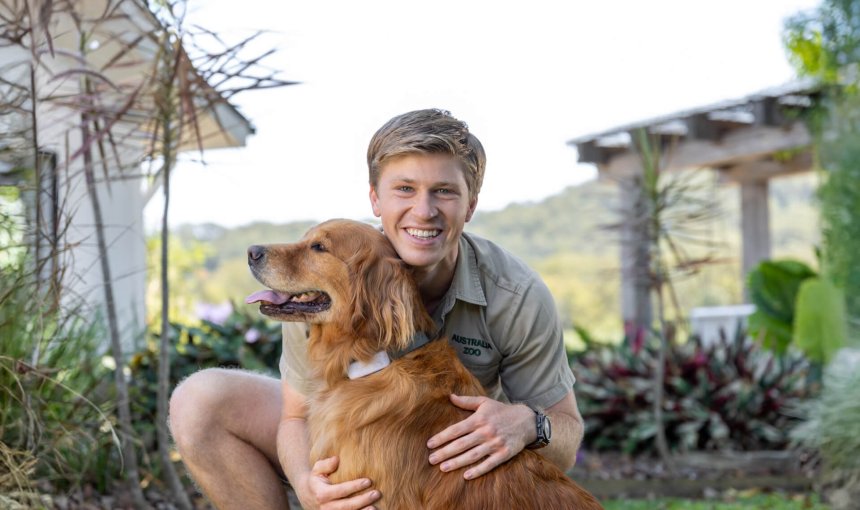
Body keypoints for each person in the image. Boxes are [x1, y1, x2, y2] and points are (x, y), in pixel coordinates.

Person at [169, 109, 584, 510]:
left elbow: (566, 437)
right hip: (342, 414)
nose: (424, 211)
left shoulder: (516, 293)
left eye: (444, 191)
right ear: (375, 198)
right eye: (404, 189)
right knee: (199, 401)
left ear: (470, 204)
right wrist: (307, 486)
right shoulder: (329, 285)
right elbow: (296, 417)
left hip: (454, 461)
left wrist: (530, 424)